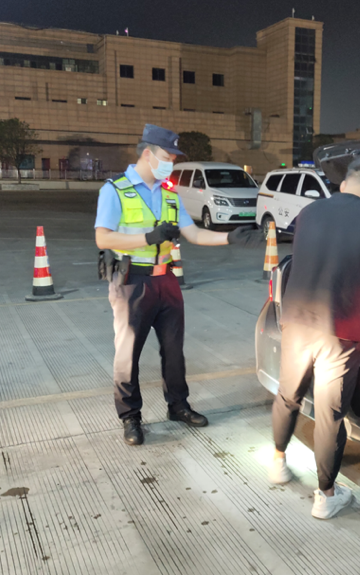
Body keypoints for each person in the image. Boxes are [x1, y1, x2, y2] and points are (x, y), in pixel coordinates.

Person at [94, 124, 263, 446]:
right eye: (167, 156)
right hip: (131, 282)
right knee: (127, 353)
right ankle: (130, 416)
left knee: (174, 350)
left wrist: (231, 237)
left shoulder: (170, 194)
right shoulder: (115, 190)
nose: (171, 162)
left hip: (166, 281)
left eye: (173, 157)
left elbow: (194, 233)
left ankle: (178, 406)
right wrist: (149, 237)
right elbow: (102, 238)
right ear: (148, 153)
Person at [268, 155, 360, 519]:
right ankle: (326, 496)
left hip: (296, 321)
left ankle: (278, 462)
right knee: (329, 414)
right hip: (338, 331)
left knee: (288, 395)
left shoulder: (309, 212)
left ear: (344, 184)